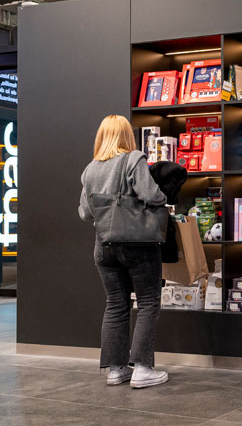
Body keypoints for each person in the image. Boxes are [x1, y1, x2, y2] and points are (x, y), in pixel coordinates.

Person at [78, 115, 169, 388]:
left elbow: (84, 212)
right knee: (148, 301)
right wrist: (163, 197)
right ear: (127, 136)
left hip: (104, 247)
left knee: (116, 304)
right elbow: (151, 195)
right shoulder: (133, 159)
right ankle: (142, 368)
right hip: (138, 245)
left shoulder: (90, 169)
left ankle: (116, 370)